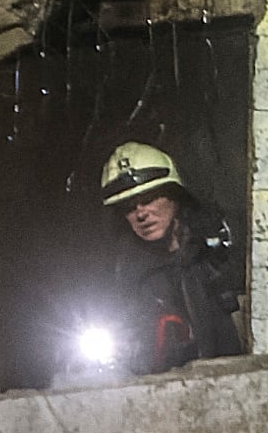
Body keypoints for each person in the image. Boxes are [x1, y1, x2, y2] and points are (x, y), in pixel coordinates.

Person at [78, 140, 244, 379]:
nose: (141, 213)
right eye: (129, 207)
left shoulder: (219, 254)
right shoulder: (126, 279)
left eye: (149, 198)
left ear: (174, 196)